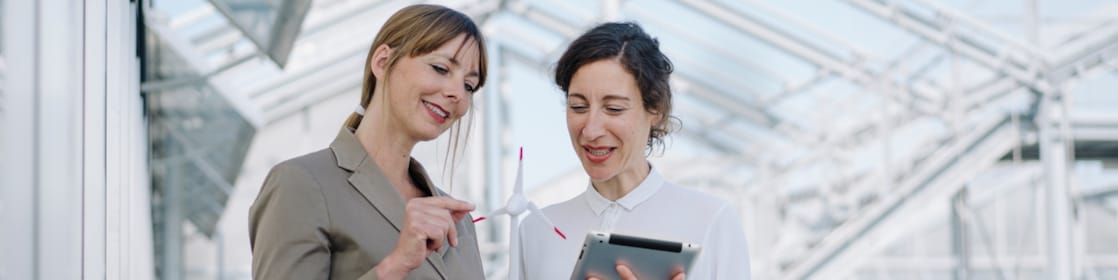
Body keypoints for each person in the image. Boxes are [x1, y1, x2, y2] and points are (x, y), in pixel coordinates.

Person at [249, 4, 488, 280]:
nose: (457, 93)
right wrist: (394, 266)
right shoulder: (300, 184)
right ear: (383, 61)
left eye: (469, 86)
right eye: (440, 68)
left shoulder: (460, 222)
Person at [516, 22, 752, 280]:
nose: (591, 130)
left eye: (614, 109)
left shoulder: (711, 221)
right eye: (578, 107)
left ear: (656, 111)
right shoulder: (537, 230)